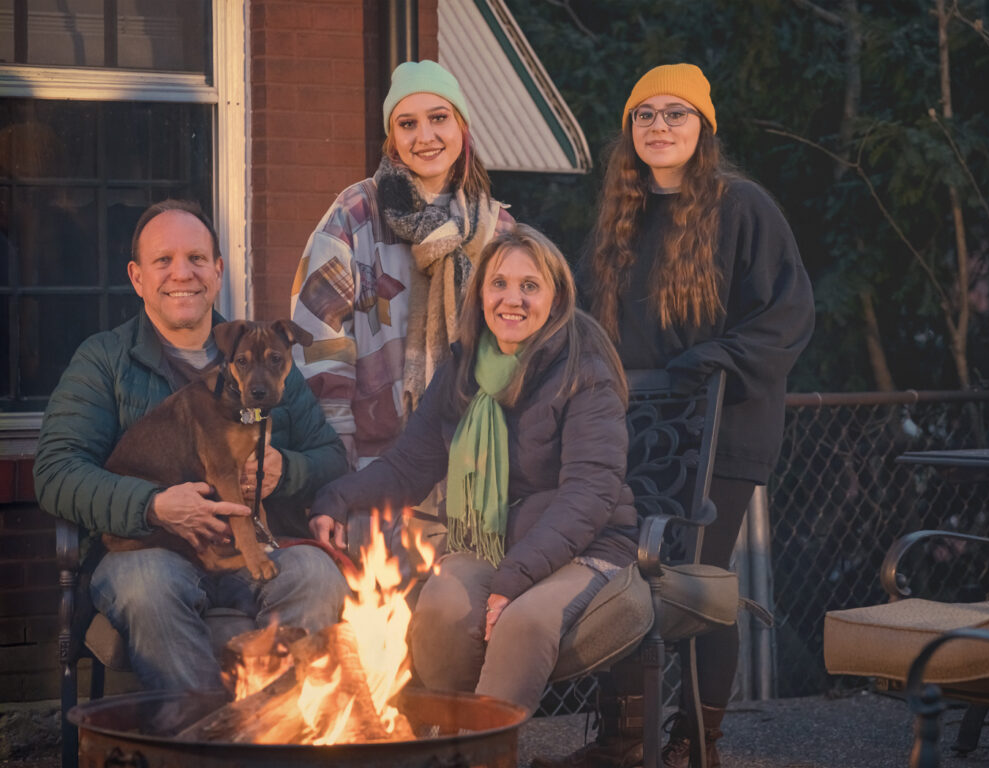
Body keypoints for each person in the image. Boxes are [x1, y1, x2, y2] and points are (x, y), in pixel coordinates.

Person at [539, 64, 815, 768]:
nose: (659, 126)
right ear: (629, 132)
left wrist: (715, 359)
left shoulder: (744, 208)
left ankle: (698, 742)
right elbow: (577, 327)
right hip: (630, 432)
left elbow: (787, 315)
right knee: (617, 574)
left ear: (704, 129)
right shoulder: (615, 225)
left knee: (696, 585)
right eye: (645, 115)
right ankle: (625, 739)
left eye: (676, 114)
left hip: (721, 430)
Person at [307, 224, 639, 713]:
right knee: (441, 608)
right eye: (499, 283)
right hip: (494, 541)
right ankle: (452, 742)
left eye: (530, 286)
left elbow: (589, 494)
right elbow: (406, 467)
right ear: (480, 293)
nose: (513, 299)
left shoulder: (582, 369)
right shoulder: (463, 369)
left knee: (522, 623)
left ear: (557, 296)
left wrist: (512, 579)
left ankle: (487, 753)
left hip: (585, 546)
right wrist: (336, 499)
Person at [33, 199, 349, 693]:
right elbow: (55, 473)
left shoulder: (268, 359)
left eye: (197, 259)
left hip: (250, 552)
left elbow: (332, 458)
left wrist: (284, 469)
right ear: (137, 278)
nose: (183, 273)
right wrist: (152, 505)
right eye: (164, 261)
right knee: (148, 587)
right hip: (149, 552)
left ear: (218, 271)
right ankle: (199, 740)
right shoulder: (104, 361)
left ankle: (280, 731)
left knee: (316, 573)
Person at [291, 59, 514, 472]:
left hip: (473, 458)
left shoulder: (495, 229)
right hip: (374, 462)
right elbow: (318, 337)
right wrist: (336, 454)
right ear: (392, 139)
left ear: (461, 128)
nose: (424, 136)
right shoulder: (356, 213)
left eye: (439, 118)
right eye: (407, 124)